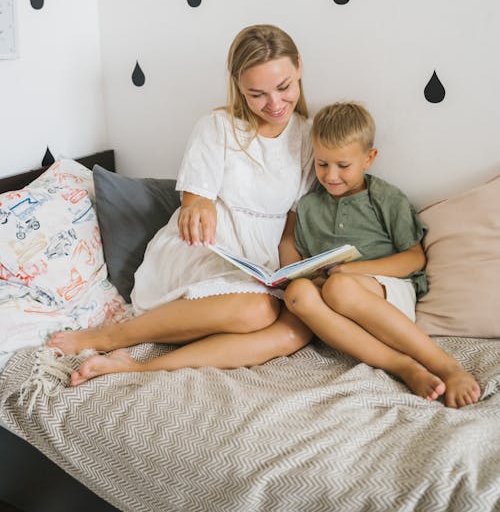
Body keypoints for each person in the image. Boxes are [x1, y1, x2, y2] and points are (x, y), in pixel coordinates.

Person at [48, 24, 315, 384]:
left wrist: (292, 275)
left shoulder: (309, 137)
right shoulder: (218, 126)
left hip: (264, 263)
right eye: (257, 94)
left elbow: (290, 228)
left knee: (295, 331)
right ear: (238, 85)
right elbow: (196, 199)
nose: (274, 104)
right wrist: (196, 206)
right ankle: (113, 336)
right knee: (257, 311)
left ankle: (140, 367)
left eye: (284, 88)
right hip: (206, 252)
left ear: (298, 66)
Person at [283, 102, 481, 409]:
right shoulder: (309, 207)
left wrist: (353, 272)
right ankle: (403, 366)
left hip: (388, 293)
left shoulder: (384, 198)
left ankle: (447, 367)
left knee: (340, 287)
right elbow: (296, 251)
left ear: (368, 159)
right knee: (297, 294)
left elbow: (415, 258)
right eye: (322, 164)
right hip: (335, 304)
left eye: (343, 165)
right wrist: (291, 273)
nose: (331, 175)